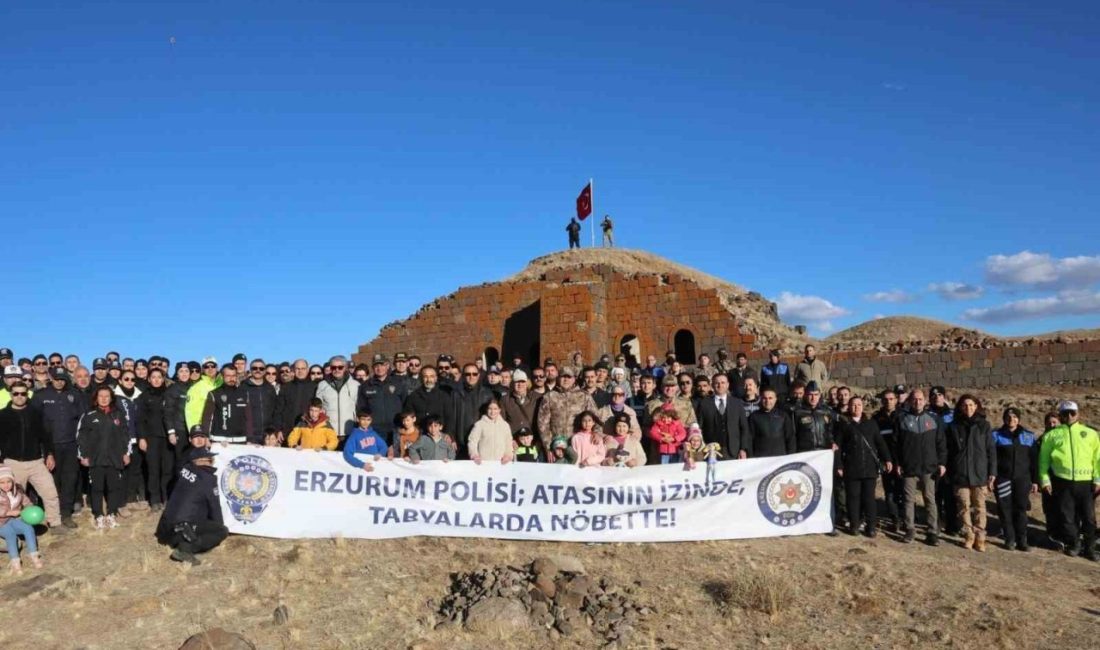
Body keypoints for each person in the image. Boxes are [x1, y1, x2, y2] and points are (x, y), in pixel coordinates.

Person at [0, 381, 66, 534]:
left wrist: (49, 454)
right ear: (10, 394)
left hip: (36, 462)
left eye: (23, 393)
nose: (20, 396)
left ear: (27, 394)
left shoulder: (37, 413)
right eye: (16, 393)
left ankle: (55, 523)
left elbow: (46, 436)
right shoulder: (3, 415)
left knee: (50, 492)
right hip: (13, 463)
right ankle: (14, 529)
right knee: (12, 499)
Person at [1038, 400, 1100, 560]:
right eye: (1065, 413)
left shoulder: (1091, 433)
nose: (1070, 416)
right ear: (1061, 415)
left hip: (1085, 483)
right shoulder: (1052, 435)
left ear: (1078, 413)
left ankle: (1090, 548)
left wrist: (1097, 479)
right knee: (1067, 517)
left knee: (1089, 518)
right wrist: (1045, 480)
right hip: (1062, 482)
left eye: (1073, 413)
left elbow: (1097, 458)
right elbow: (1043, 460)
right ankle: (1074, 544)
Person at [155, 447, 228, 565]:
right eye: (208, 459)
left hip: (165, 528)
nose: (212, 460)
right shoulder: (208, 479)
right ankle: (185, 549)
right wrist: (218, 527)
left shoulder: (185, 470)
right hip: (181, 531)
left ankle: (184, 541)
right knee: (221, 531)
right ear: (199, 461)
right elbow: (214, 507)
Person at [30, 367, 83, 528]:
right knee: (52, 481)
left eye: (62, 379)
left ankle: (66, 514)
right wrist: (44, 450)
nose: (59, 381)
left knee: (70, 479)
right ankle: (54, 515)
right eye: (56, 378)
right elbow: (34, 422)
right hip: (49, 446)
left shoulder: (74, 394)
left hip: (71, 445)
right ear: (50, 378)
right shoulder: (40, 396)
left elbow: (82, 419)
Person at [895, 389, 946, 546]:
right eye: (914, 399)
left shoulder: (934, 419)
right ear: (910, 401)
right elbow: (896, 444)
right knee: (909, 500)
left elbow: (941, 443)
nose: (917, 402)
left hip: (929, 467)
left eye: (920, 399)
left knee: (930, 499)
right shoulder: (901, 419)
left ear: (925, 401)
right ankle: (909, 529)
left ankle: (932, 532)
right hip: (909, 467)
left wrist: (942, 463)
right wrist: (897, 462)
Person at [944, 394, 995, 552]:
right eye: (965, 405)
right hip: (960, 473)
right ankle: (968, 535)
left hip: (979, 473)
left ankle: (980, 537)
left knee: (980, 506)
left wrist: (992, 473)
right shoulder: (953, 427)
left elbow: (990, 450)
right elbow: (948, 451)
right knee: (963, 506)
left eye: (971, 405)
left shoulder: (984, 426)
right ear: (960, 407)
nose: (968, 408)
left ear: (976, 406)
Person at [77, 385, 132, 530]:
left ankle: (112, 514)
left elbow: (126, 435)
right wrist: (83, 455)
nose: (104, 399)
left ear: (111, 398)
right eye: (101, 396)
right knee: (97, 488)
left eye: (107, 396)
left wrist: (126, 453)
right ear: (96, 398)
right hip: (96, 459)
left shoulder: (118, 414)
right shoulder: (89, 415)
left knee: (114, 487)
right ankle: (99, 515)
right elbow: (81, 436)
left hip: (114, 458)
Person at [835, 397, 892, 537]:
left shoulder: (871, 424)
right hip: (851, 467)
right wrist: (839, 465)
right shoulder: (844, 425)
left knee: (869, 499)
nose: (856, 407)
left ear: (863, 406)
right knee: (853, 498)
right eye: (853, 405)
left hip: (869, 468)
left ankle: (871, 526)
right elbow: (837, 447)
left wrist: (888, 459)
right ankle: (854, 524)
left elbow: (880, 443)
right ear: (849, 407)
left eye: (859, 404)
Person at [992, 407, 1038, 551]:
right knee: (1005, 509)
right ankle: (1009, 539)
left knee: (1021, 509)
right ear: (1004, 419)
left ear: (1019, 419)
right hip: (1003, 479)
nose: (1012, 420)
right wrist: (992, 476)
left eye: (1015, 417)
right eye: (1008, 417)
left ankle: (1022, 540)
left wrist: (1035, 480)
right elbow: (992, 458)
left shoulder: (1028, 436)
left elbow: (1034, 460)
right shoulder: (996, 435)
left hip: (1022, 479)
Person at [137, 368, 177, 511]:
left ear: (163, 378)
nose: (156, 380)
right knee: (153, 469)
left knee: (167, 469)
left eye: (159, 377)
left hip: (167, 437)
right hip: (151, 437)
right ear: (149, 379)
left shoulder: (169, 393)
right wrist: (141, 438)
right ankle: (154, 500)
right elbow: (140, 419)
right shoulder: (144, 396)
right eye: (153, 377)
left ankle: (166, 497)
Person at [536, 366, 597, 451]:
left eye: (569, 377)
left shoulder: (584, 396)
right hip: (556, 446)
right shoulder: (549, 396)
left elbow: (595, 418)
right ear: (558, 378)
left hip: (579, 445)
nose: (566, 379)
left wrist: (596, 434)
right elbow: (542, 424)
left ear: (573, 379)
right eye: (563, 377)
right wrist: (548, 447)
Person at [0, 466, 42, 574]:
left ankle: (33, 554)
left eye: (8, 481)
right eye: (2, 482)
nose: (6, 485)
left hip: (16, 519)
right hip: (2, 523)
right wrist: (8, 512)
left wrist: (30, 509)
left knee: (28, 528)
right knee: (10, 534)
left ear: (13, 481)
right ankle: (15, 561)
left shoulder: (18, 492)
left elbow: (27, 502)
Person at [696, 374, 748, 461]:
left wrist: (743, 449)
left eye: (723, 382)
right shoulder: (704, 404)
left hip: (733, 451)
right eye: (717, 383)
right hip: (711, 452)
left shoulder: (737, 403)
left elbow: (744, 428)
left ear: (728, 384)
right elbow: (699, 428)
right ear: (712, 385)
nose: (720, 385)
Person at [873, 389, 904, 533]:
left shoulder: (904, 416)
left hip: (902, 460)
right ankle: (895, 519)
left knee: (904, 491)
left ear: (896, 400)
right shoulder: (876, 418)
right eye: (885, 399)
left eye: (891, 399)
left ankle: (905, 518)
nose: (888, 401)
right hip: (886, 461)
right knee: (890, 492)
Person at [202, 365, 253, 446]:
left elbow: (248, 418)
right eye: (228, 376)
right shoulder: (214, 394)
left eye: (233, 375)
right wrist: (206, 437)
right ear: (222, 377)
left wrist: (250, 438)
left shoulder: (244, 394)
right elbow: (207, 418)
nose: (231, 378)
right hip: (219, 440)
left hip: (240, 440)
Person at [315, 355, 360, 446]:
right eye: (333, 367)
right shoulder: (322, 385)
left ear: (346, 368)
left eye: (340, 367)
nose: (337, 370)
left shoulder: (355, 385)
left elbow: (359, 406)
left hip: (349, 431)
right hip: (329, 431)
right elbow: (317, 406)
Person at [1037, 411, 1063, 548]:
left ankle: (1065, 535)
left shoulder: (1065, 438)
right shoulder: (1042, 439)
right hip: (1047, 478)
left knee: (1063, 508)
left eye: (1055, 422)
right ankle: (1052, 535)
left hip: (1063, 478)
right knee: (1049, 508)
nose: (1052, 425)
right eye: (1049, 423)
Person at [746, 389, 794, 458]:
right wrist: (750, 457)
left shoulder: (783, 416)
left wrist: (790, 456)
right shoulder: (753, 417)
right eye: (765, 398)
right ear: (761, 399)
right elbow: (749, 439)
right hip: (760, 458)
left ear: (775, 399)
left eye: (770, 398)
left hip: (780, 458)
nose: (767, 401)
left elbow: (790, 438)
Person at [404, 366, 454, 432]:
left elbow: (449, 418)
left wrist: (448, 434)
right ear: (421, 378)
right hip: (420, 435)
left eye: (431, 376)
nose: (429, 380)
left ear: (436, 378)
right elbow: (409, 418)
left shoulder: (444, 396)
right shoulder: (413, 396)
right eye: (425, 377)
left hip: (439, 436)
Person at [276, 360, 317, 440]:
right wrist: (278, 429)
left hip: (308, 431)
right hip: (288, 431)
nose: (300, 371)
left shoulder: (315, 388)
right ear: (293, 370)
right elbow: (278, 411)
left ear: (307, 370)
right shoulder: (286, 387)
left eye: (303, 368)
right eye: (297, 368)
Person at [241, 358, 278, 437]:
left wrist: (273, 429)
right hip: (248, 434)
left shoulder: (270, 388)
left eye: (261, 368)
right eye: (254, 368)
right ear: (250, 370)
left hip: (267, 434)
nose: (258, 370)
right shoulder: (242, 387)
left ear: (264, 371)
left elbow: (275, 410)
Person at [468, 400, 512, 464]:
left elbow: (508, 442)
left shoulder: (505, 425)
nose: (492, 412)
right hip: (484, 463)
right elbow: (472, 441)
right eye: (490, 409)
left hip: (501, 463)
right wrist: (474, 455)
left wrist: (508, 455)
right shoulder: (480, 424)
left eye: (495, 409)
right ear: (486, 410)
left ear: (499, 410)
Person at [185, 357, 222, 431]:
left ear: (217, 368)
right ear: (203, 369)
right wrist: (194, 432)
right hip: (204, 430)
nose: (210, 369)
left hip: (220, 429)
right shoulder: (196, 388)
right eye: (206, 366)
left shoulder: (221, 384)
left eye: (213, 366)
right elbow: (190, 413)